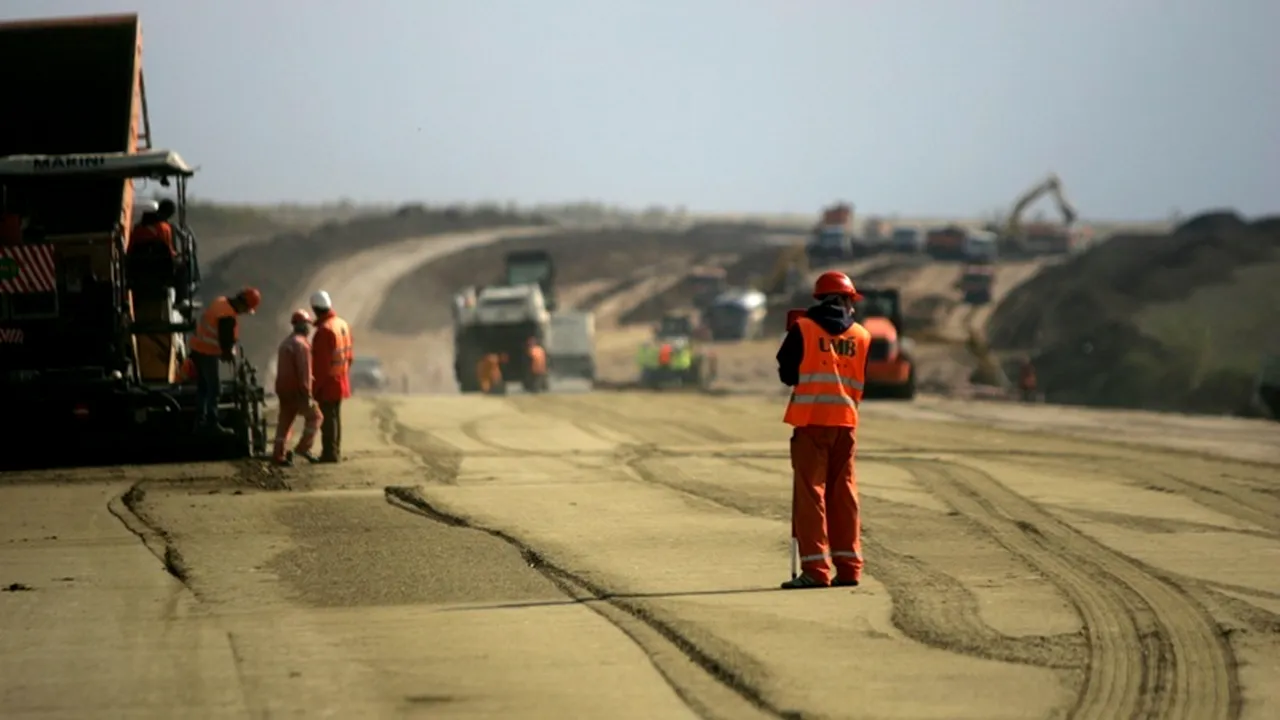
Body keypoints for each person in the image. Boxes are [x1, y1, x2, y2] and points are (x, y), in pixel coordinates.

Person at [775, 270, 871, 590]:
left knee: (810, 494)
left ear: (820, 298)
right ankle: (848, 568)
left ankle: (815, 570)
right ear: (846, 300)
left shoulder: (802, 328)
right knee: (843, 494)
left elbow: (787, 374)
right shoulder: (862, 335)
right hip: (846, 424)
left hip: (812, 422)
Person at [188, 287, 261, 434]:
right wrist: (228, 354)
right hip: (207, 352)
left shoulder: (220, 301)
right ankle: (211, 423)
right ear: (243, 304)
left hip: (197, 348)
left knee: (203, 387)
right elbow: (225, 340)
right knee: (214, 389)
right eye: (246, 310)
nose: (243, 313)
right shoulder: (227, 315)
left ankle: (200, 421)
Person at [273, 309, 323, 466]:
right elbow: (304, 372)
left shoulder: (285, 343)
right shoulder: (302, 345)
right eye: (308, 325)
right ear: (304, 326)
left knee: (285, 423)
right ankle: (303, 448)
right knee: (316, 417)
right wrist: (307, 394)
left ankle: (278, 455)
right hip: (297, 391)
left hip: (283, 389)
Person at [309, 290, 353, 462]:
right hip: (341, 378)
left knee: (328, 419)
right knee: (335, 417)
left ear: (315, 309)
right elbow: (350, 356)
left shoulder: (324, 331)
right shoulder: (342, 324)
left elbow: (320, 364)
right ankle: (335, 450)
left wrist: (314, 388)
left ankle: (330, 453)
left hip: (328, 382)